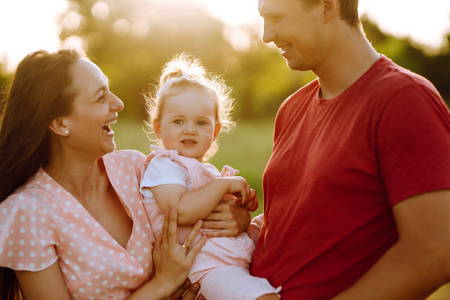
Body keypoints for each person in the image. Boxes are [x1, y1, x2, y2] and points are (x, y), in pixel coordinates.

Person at [0, 49, 251, 300]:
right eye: (101, 97)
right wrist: (161, 285)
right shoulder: (27, 212)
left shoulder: (133, 167)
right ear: (60, 123)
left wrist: (237, 218)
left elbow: (192, 201)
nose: (118, 103)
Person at [251, 0, 450, 299]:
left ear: (327, 7)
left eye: (277, 17)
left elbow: (436, 251)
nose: (266, 35)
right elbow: (310, 221)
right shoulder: (291, 109)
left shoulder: (403, 99)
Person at [140, 54, 281, 300]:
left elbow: (214, 210)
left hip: (225, 257)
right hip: (204, 269)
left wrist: (242, 205)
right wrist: (223, 184)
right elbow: (180, 210)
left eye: (201, 123)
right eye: (178, 121)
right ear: (158, 127)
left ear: (215, 131)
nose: (190, 129)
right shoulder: (164, 166)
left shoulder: (203, 171)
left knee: (280, 224)